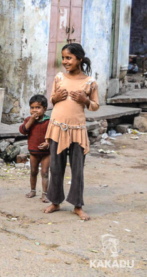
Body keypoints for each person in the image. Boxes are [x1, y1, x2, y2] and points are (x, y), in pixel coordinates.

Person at [43, 43, 99, 221]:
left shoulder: (90, 82)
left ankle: (77, 205)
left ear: (79, 59)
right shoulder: (59, 78)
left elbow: (96, 106)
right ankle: (55, 201)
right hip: (58, 128)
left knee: (77, 170)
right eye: (63, 58)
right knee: (56, 167)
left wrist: (85, 100)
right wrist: (55, 98)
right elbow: (52, 99)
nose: (65, 61)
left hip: (77, 131)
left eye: (69, 58)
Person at [19, 94, 51, 203]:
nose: (34, 110)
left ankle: (45, 194)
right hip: (33, 152)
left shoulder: (48, 121)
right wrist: (31, 120)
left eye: (38, 107)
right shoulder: (29, 120)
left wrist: (48, 143)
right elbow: (23, 130)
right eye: (32, 108)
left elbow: (53, 135)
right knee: (33, 171)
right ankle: (33, 190)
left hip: (47, 152)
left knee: (45, 172)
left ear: (45, 109)